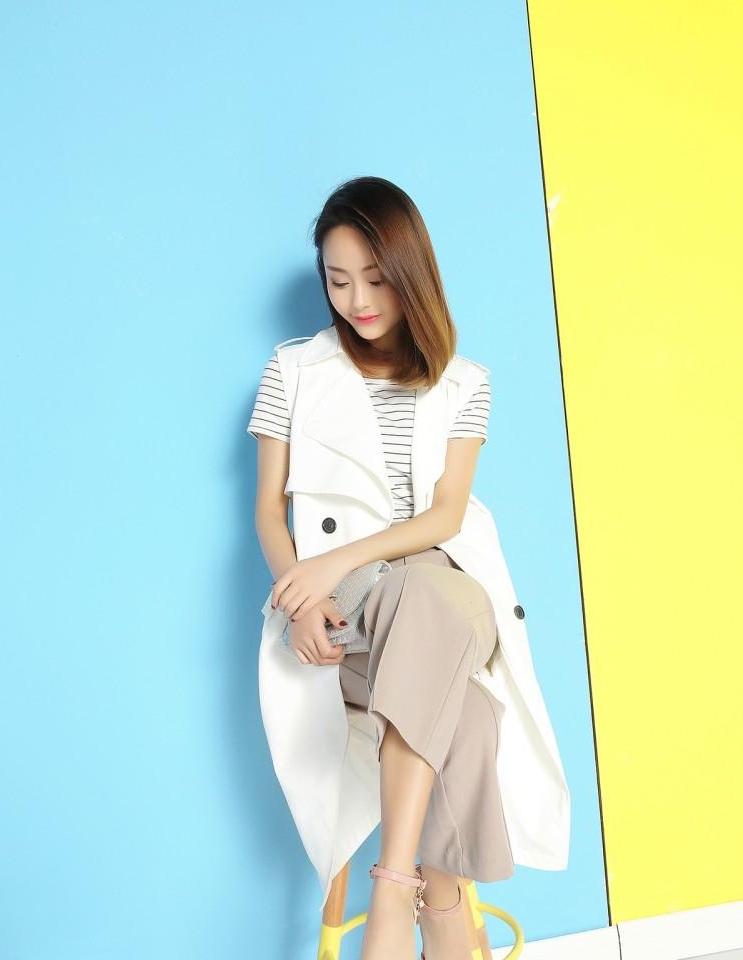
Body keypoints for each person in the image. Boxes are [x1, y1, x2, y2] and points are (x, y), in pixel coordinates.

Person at [247, 176, 569, 960]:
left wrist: (337, 558)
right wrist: (302, 601)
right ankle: (442, 902)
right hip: (349, 612)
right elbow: (267, 512)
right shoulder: (293, 371)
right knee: (471, 716)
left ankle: (392, 889)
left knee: (426, 589)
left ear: (410, 271)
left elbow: (445, 517)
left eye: (376, 278)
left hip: (446, 586)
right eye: (338, 280)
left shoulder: (465, 380)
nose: (357, 299)